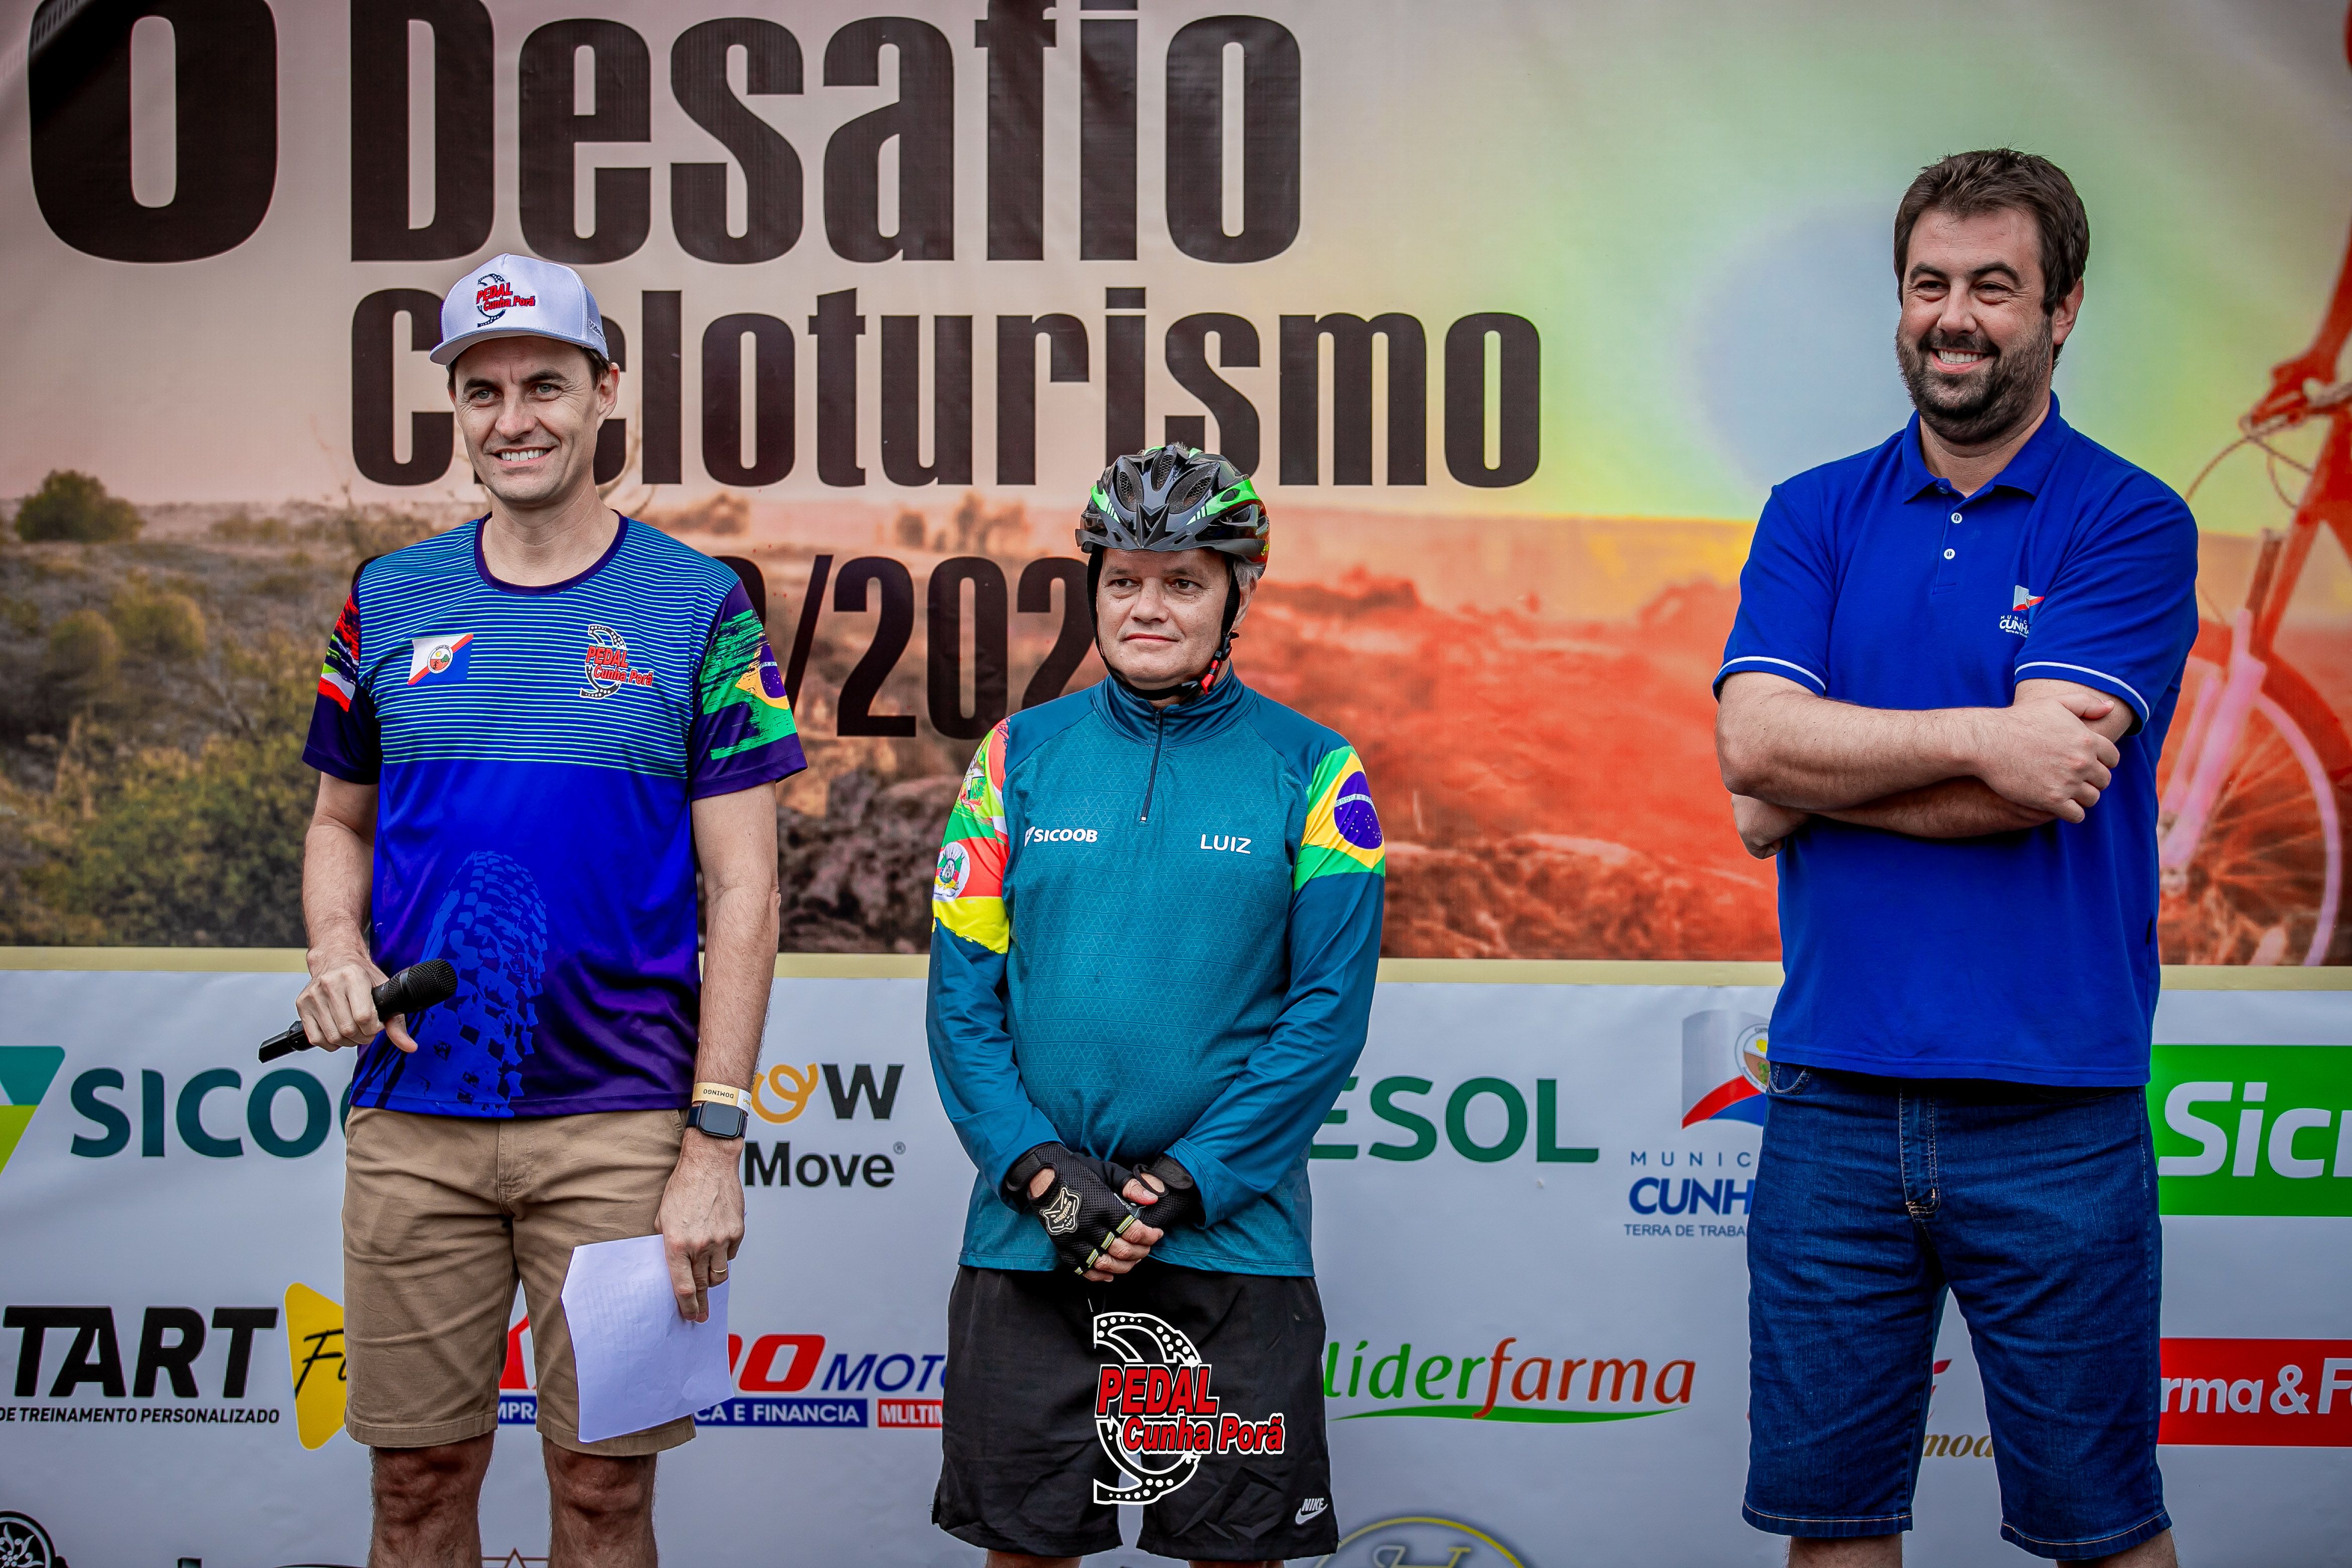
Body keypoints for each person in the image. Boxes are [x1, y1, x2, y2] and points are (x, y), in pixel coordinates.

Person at [1714, 151, 2197, 1567]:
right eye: (1930, 284)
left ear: (2062, 309)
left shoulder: (2128, 518)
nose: (1955, 317)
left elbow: (2046, 786)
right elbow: (1754, 747)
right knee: (1832, 1529)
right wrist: (1983, 738)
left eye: (1995, 286)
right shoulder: (1813, 512)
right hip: (1832, 1099)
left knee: (2105, 1531)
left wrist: (1815, 781)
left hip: (2053, 1107)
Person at [296, 253, 805, 1567]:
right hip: (416, 1123)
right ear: (457, 409)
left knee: (604, 1495)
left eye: (544, 385)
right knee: (415, 1485)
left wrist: (713, 1142)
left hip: (624, 1131)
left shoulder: (699, 607)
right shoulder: (387, 598)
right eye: (483, 391)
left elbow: (746, 890)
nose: (512, 418)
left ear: (604, 392)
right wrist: (338, 947)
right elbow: (340, 823)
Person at [925, 445, 1386, 1566]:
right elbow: (962, 1001)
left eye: (1184, 582)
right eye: (1124, 580)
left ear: (1237, 594)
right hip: (1032, 1238)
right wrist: (1043, 1176)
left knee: (1234, 1556)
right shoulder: (1015, 756)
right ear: (1092, 587)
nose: (1148, 608)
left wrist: (1183, 1184)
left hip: (1231, 1242)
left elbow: (1327, 1014)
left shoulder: (1317, 769)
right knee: (1026, 1552)